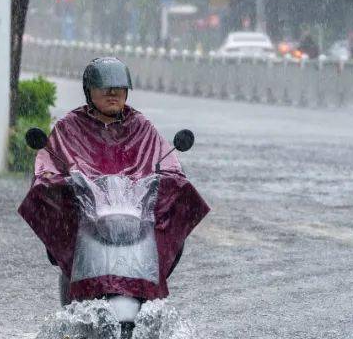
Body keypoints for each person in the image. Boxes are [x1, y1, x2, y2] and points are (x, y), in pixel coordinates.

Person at [18, 57, 209, 305]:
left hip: (133, 216)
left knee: (174, 221)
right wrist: (56, 183)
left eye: (119, 89)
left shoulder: (141, 126)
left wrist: (171, 179)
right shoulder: (69, 128)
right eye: (105, 88)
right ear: (89, 91)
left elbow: (167, 161)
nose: (113, 94)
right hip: (88, 219)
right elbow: (49, 165)